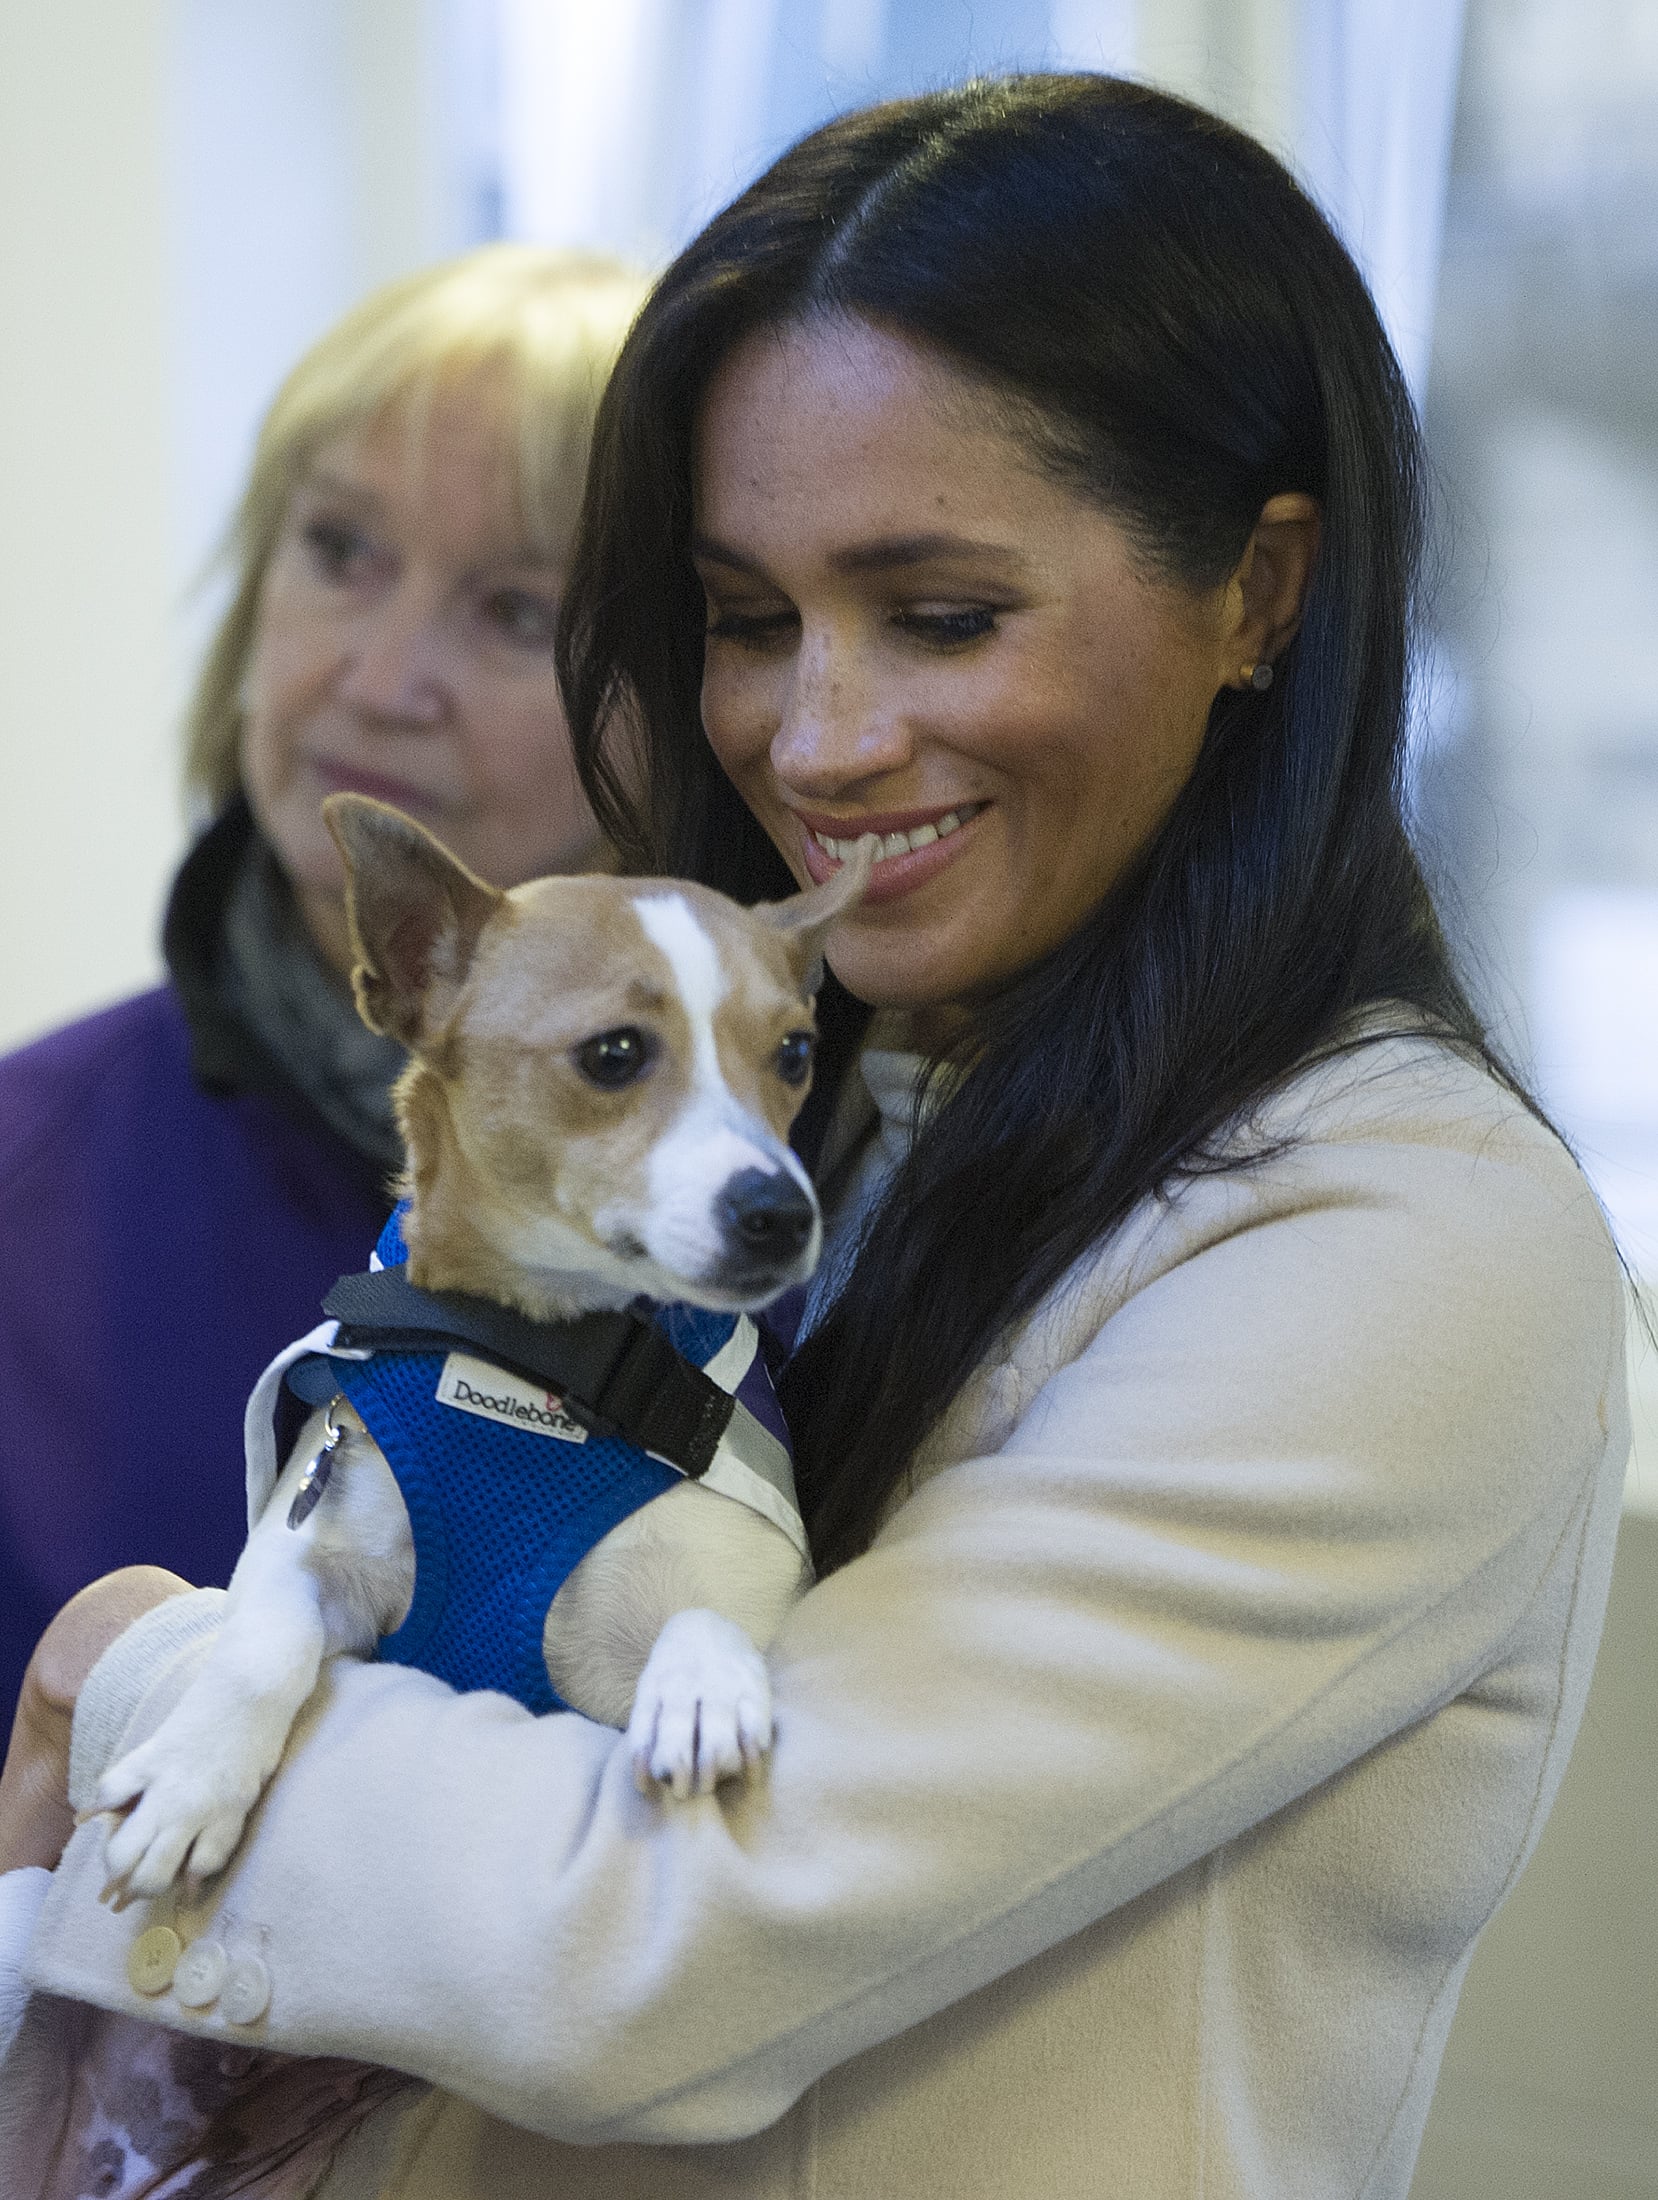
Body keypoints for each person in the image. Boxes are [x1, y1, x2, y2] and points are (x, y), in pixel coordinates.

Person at [0, 75, 1628, 2200]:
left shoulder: (1399, 1234)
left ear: (1261, 594)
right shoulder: (837, 1109)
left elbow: (660, 1934)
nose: (816, 736)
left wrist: (138, 1675)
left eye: (939, 614)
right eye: (747, 621)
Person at [0, 246, 648, 1712]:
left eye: (513, 613)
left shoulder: (814, 1209)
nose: (375, 677)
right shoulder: (23, 1186)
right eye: (340, 550)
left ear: (662, 705)